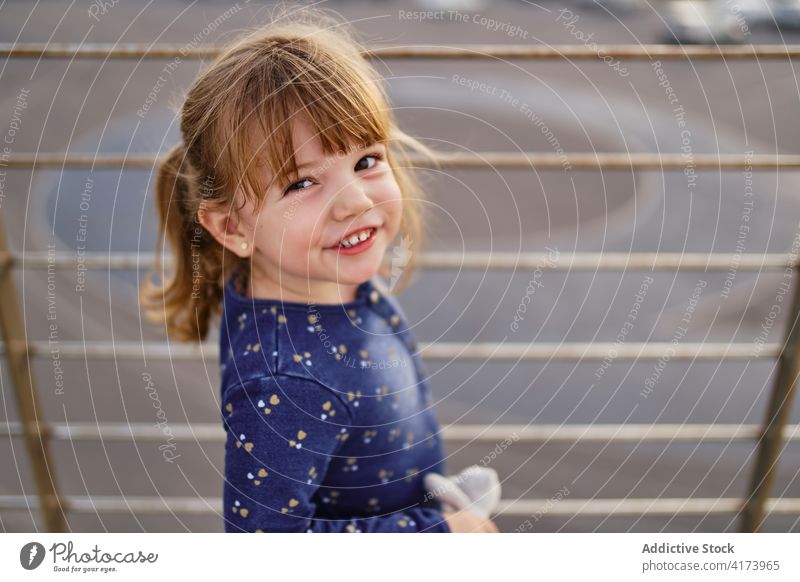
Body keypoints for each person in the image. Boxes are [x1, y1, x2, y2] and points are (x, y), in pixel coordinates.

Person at [141, 8, 499, 533]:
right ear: (232, 228)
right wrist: (438, 534)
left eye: (366, 161)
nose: (354, 201)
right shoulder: (289, 383)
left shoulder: (317, 275)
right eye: (301, 184)